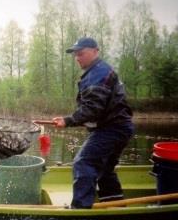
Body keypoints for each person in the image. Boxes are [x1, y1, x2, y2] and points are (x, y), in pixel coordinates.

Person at [53, 37, 134, 209]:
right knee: (104, 170)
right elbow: (98, 109)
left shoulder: (97, 73)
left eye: (81, 53)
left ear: (95, 51)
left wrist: (68, 121)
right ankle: (116, 209)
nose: (77, 57)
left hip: (112, 128)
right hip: (120, 127)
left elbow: (93, 109)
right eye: (75, 54)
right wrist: (70, 120)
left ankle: (81, 212)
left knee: (83, 163)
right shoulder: (98, 71)